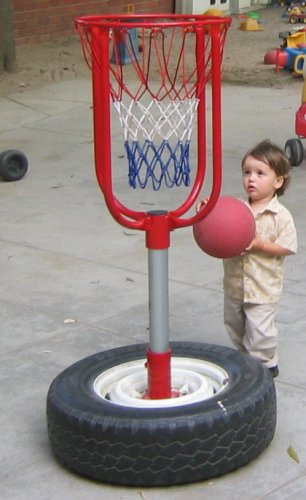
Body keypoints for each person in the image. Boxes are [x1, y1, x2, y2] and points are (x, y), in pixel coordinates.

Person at [197, 140, 297, 378]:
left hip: (263, 287)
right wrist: (207, 213)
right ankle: (247, 359)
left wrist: (260, 245)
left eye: (260, 173)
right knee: (235, 324)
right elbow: (218, 224)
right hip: (235, 285)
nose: (251, 179)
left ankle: (265, 364)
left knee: (260, 330)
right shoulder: (235, 209)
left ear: (278, 181)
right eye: (247, 172)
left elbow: (288, 247)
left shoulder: (280, 216)